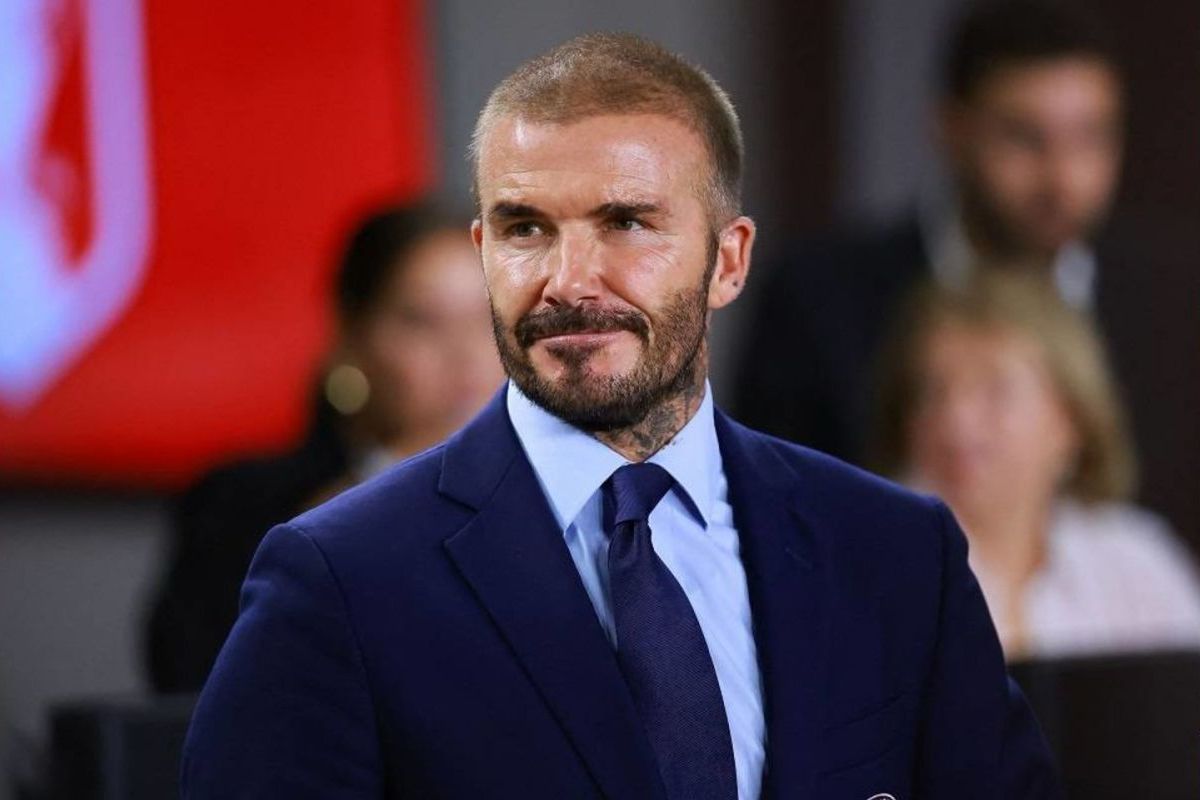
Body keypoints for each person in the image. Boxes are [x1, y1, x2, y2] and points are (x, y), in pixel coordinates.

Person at [181, 33, 1059, 798]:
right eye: (526, 228)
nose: (569, 281)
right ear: (484, 254)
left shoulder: (895, 553)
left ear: (727, 261)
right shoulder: (339, 580)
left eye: (627, 223)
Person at [733, 0, 1126, 464]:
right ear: (951, 129)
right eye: (1024, 137)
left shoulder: (1161, 310)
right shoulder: (819, 298)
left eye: (1090, 137)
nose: (1062, 178)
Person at [145, 203, 503, 693]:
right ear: (352, 334)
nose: (466, 353)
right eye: (423, 321)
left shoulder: (571, 504)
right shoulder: (241, 506)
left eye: (488, 319)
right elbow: (198, 684)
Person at [871, 272, 1200, 660]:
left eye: (995, 390)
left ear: (1071, 417)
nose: (956, 420)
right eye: (933, 391)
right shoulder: (869, 565)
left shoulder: (1135, 564)